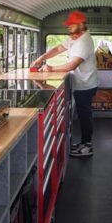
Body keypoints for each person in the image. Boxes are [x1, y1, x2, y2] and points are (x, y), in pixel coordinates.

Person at [31, 11, 99, 157]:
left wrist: (50, 68)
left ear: (81, 25)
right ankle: (83, 143)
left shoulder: (84, 41)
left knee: (84, 115)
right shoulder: (74, 38)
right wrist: (41, 58)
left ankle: (87, 146)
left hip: (86, 84)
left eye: (71, 25)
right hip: (79, 82)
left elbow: (72, 65)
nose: (68, 27)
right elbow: (57, 49)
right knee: (82, 114)